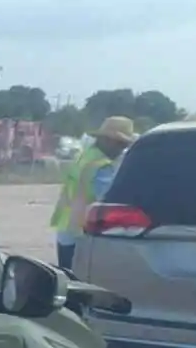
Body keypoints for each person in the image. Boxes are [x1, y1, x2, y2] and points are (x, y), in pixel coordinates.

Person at [50, 115, 137, 270]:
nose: (121, 149)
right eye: (121, 144)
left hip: (66, 227)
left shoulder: (85, 156)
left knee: (68, 279)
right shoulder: (103, 166)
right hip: (81, 233)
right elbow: (109, 199)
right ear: (109, 141)